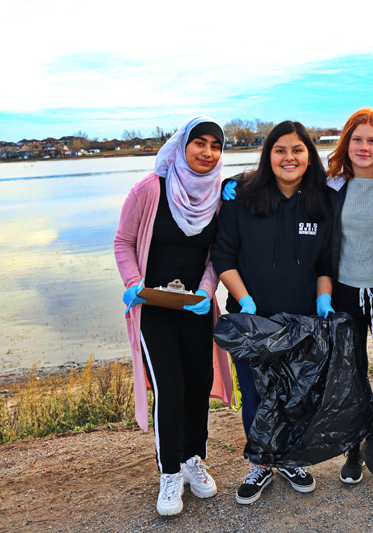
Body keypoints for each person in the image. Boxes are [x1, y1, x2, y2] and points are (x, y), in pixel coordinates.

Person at [211, 120, 334, 505]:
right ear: (269, 156)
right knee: (255, 395)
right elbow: (223, 256)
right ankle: (261, 464)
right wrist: (244, 299)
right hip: (252, 323)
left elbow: (326, 262)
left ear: (308, 156)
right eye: (280, 150)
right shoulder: (242, 198)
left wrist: (323, 299)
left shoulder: (322, 201)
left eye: (297, 150)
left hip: (301, 323)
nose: (289, 157)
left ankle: (292, 459)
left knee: (298, 393)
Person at [114, 116, 229, 516]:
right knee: (170, 388)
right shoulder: (151, 189)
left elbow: (216, 256)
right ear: (182, 145)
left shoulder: (217, 195)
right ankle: (169, 474)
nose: (207, 152)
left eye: (216, 146)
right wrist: (132, 281)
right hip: (153, 309)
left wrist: (207, 290)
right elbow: (124, 241)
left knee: (198, 384)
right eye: (200, 143)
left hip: (195, 308)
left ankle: (193, 459)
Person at [325, 108, 373, 484]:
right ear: (347, 142)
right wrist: (239, 183)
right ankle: (353, 447)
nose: (364, 147)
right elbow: (281, 184)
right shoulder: (332, 186)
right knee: (350, 371)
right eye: (358, 139)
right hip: (344, 291)